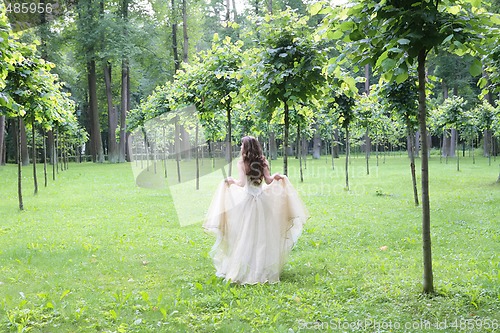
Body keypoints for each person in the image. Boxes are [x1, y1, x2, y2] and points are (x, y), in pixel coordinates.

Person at [203, 136, 308, 284]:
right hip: (262, 200)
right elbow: (268, 181)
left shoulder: (242, 163)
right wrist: (277, 177)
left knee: (245, 235)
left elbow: (241, 183)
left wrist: (231, 181)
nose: (240, 148)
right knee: (262, 236)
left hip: (247, 200)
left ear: (245, 148)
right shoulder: (263, 161)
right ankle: (262, 269)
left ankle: (245, 268)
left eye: (241, 145)